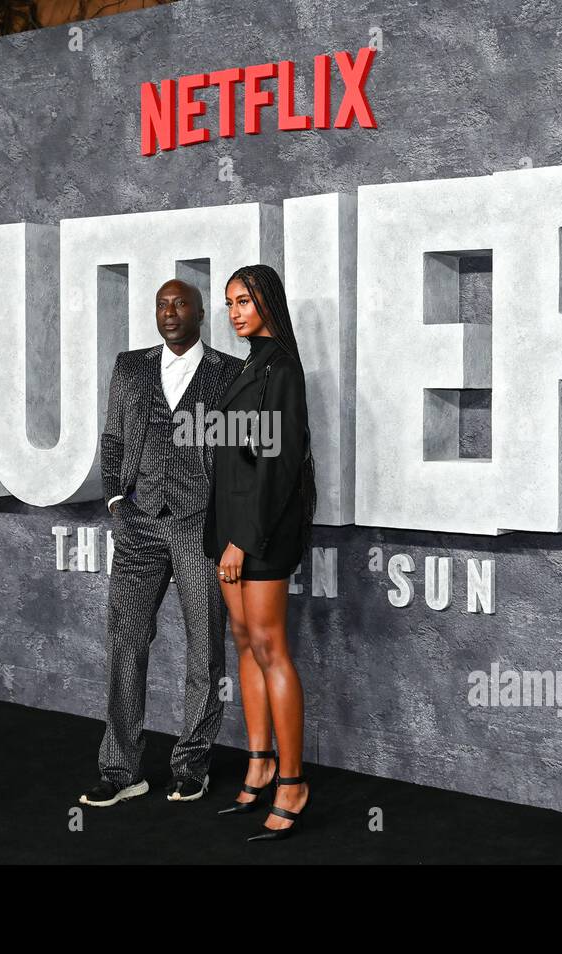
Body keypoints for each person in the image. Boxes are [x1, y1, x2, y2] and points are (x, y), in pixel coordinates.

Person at [79, 279, 244, 807]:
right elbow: (112, 438)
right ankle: (121, 769)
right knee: (125, 642)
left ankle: (191, 765)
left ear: (200, 314)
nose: (170, 312)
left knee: (204, 650)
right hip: (139, 523)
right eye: (162, 305)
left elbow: (244, 453)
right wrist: (114, 502)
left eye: (180, 305)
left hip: (201, 526)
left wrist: (230, 522)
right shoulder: (129, 367)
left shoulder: (228, 372)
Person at [202, 263, 316, 842]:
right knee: (245, 642)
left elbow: (279, 464)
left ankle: (293, 781)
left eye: (244, 300)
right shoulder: (247, 367)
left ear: (268, 301)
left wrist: (245, 539)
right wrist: (226, 532)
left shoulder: (283, 368)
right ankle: (260, 760)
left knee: (271, 646)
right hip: (229, 530)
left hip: (260, 534)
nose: (235, 311)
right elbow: (236, 455)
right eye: (229, 303)